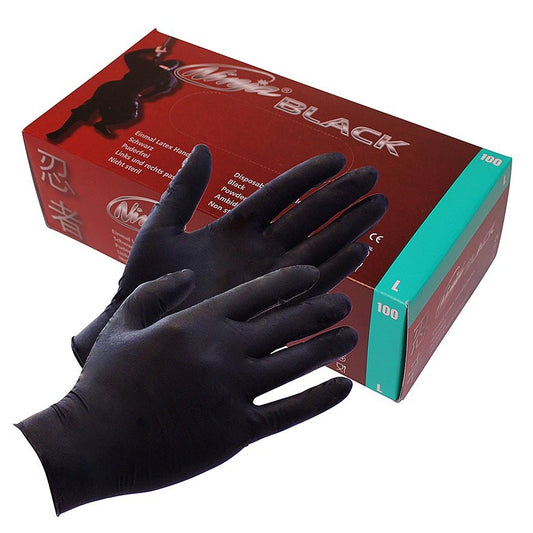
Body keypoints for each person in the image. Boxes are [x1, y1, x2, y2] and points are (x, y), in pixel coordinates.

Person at [47, 46, 180, 140]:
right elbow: (162, 90)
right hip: (126, 93)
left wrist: (153, 50)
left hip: (115, 88)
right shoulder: (166, 77)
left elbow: (129, 56)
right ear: (170, 69)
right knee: (129, 115)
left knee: (90, 107)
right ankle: (101, 124)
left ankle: (63, 131)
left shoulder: (148, 66)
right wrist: (145, 96)